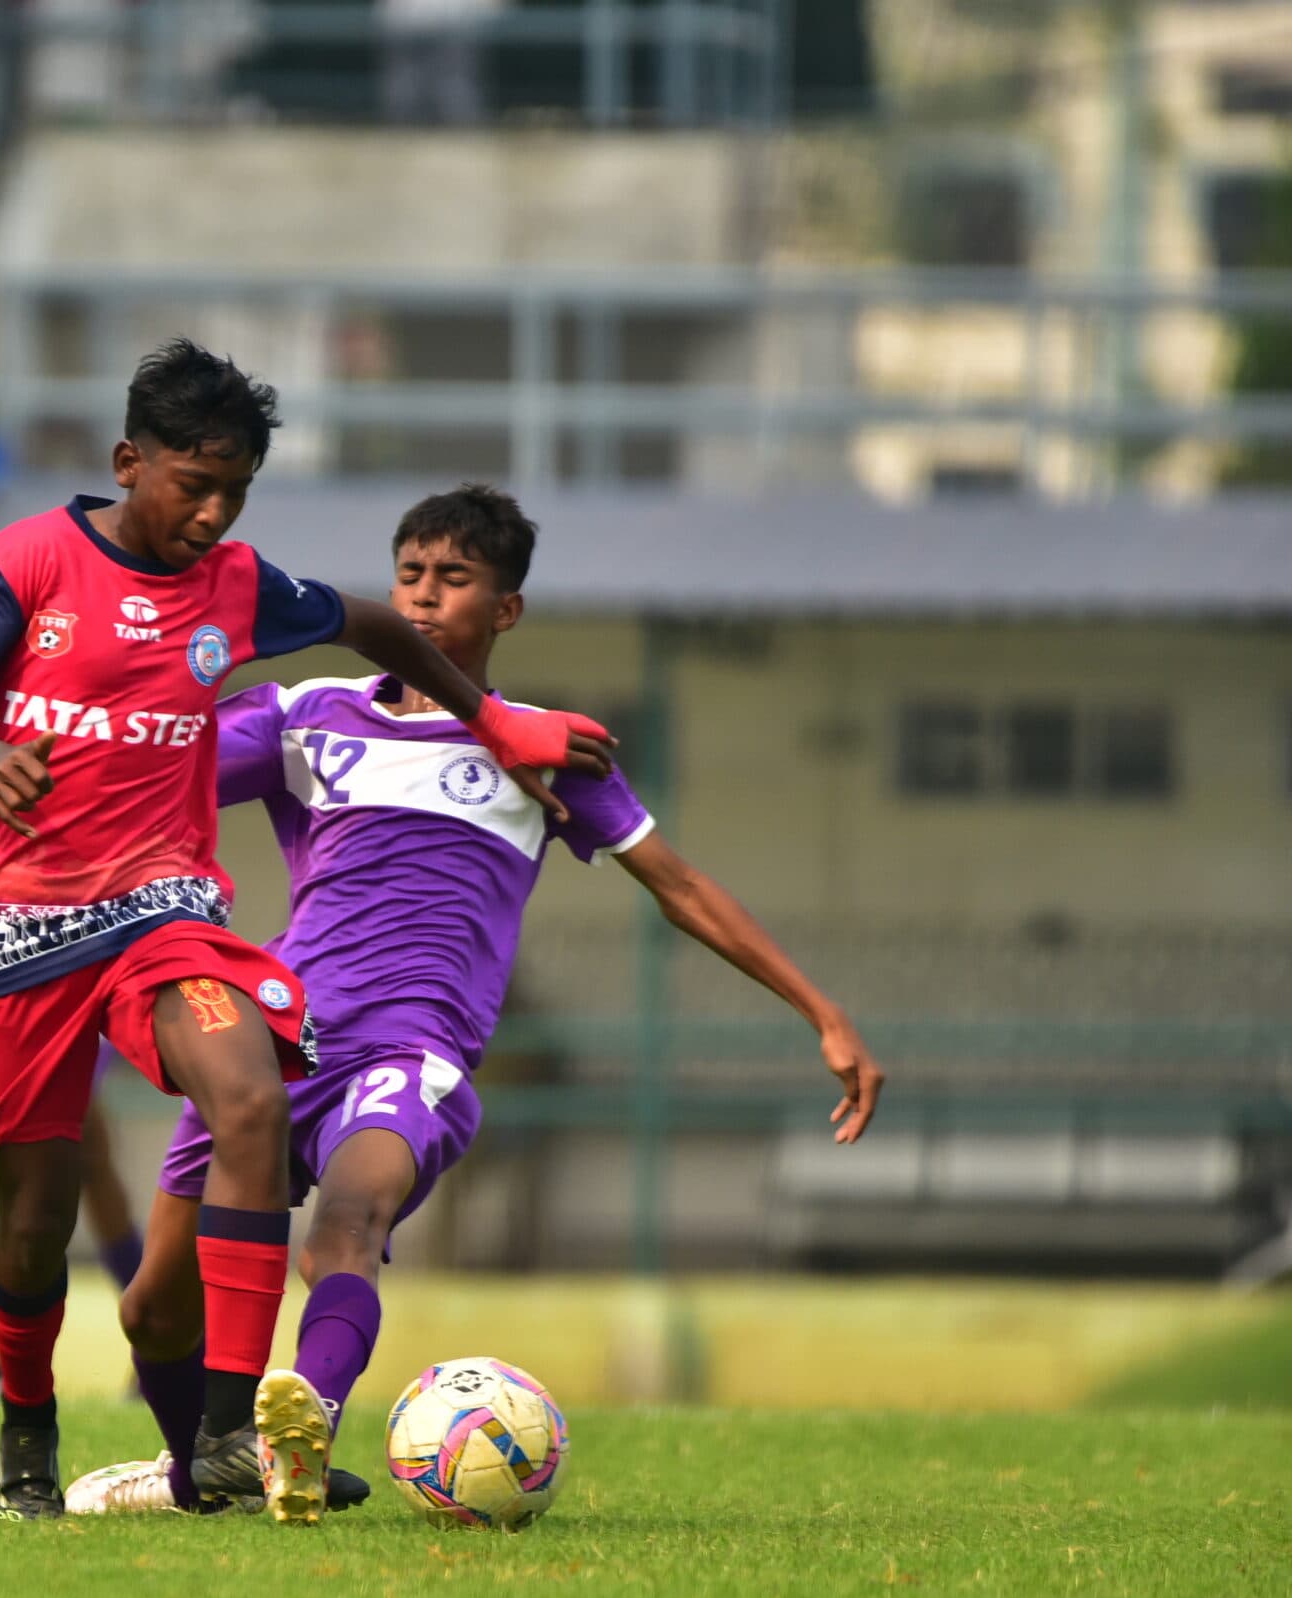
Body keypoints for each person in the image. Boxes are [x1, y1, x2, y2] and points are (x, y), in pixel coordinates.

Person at [65, 484, 887, 1518]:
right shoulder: (306, 717)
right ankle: (198, 1473)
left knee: (346, 1225)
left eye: (452, 579)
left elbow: (678, 886)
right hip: (276, 1039)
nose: (421, 596)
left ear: (506, 609)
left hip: (413, 1049)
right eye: (409, 574)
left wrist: (822, 1011)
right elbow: (150, 763)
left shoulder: (544, 750)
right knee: (152, 1307)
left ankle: (300, 1430)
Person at [0, 341, 613, 1522]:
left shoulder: (236, 585)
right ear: (130, 461)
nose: (214, 514)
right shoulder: (26, 560)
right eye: (194, 485)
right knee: (32, 1226)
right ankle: (26, 1435)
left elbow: (378, 628)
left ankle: (230, 1431)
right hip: (16, 924)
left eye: (235, 491)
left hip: (159, 912)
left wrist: (493, 722)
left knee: (249, 1091)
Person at [0, 763, 146, 1400]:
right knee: (77, 1166)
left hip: (69, 961)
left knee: (55, 1160)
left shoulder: (50, 744)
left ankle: (148, 1339)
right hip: (18, 965)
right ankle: (150, 1340)